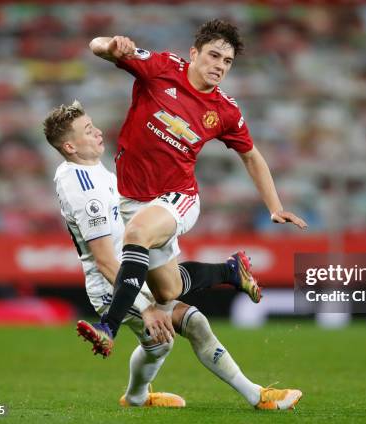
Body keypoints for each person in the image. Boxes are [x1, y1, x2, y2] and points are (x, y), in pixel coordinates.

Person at [43, 101, 303, 410]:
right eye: (88, 130)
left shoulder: (83, 169)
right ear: (70, 146)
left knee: (162, 328)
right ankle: (257, 396)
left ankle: (137, 397)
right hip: (114, 287)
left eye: (93, 125)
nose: (98, 131)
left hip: (133, 266)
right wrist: (147, 308)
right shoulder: (86, 193)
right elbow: (105, 261)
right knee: (189, 324)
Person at [80, 19, 307, 355]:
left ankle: (108, 328)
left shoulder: (225, 111)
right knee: (167, 292)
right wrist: (111, 45)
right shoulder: (161, 68)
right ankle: (230, 271)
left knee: (137, 234)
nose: (219, 66)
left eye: (227, 62)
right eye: (214, 56)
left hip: (178, 198)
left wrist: (275, 207)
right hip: (131, 197)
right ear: (194, 53)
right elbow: (96, 46)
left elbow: (252, 156)